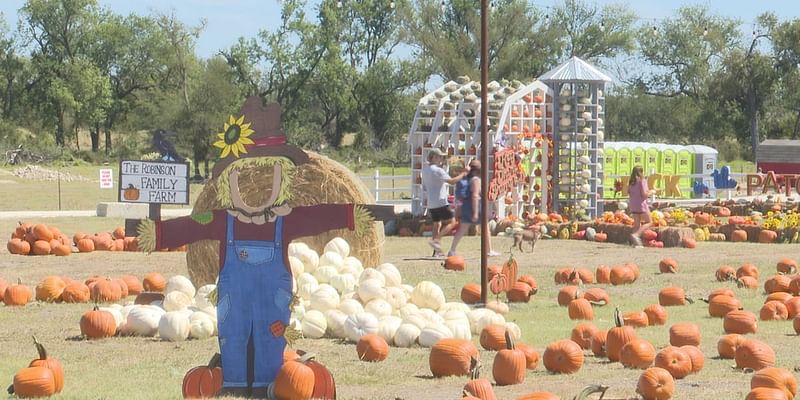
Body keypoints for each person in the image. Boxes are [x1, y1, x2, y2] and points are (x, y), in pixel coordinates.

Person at [448, 159, 501, 257]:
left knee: (461, 230)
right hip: (475, 206)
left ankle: (452, 250)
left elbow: (460, 197)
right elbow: (475, 196)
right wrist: (476, 212)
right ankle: (489, 250)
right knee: (486, 228)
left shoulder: (465, 179)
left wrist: (457, 211)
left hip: (465, 207)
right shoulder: (476, 180)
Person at [422, 148, 466, 257]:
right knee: (452, 222)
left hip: (431, 203)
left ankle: (436, 252)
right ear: (434, 157)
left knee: (437, 224)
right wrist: (463, 175)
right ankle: (436, 240)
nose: (441, 159)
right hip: (440, 201)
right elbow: (451, 182)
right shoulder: (438, 171)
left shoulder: (425, 170)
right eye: (440, 157)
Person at [628, 165, 653, 248]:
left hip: (633, 204)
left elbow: (629, 193)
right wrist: (652, 192)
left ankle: (634, 243)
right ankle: (636, 235)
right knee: (649, 222)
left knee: (636, 225)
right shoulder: (642, 181)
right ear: (641, 172)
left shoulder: (631, 182)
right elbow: (644, 194)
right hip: (641, 205)